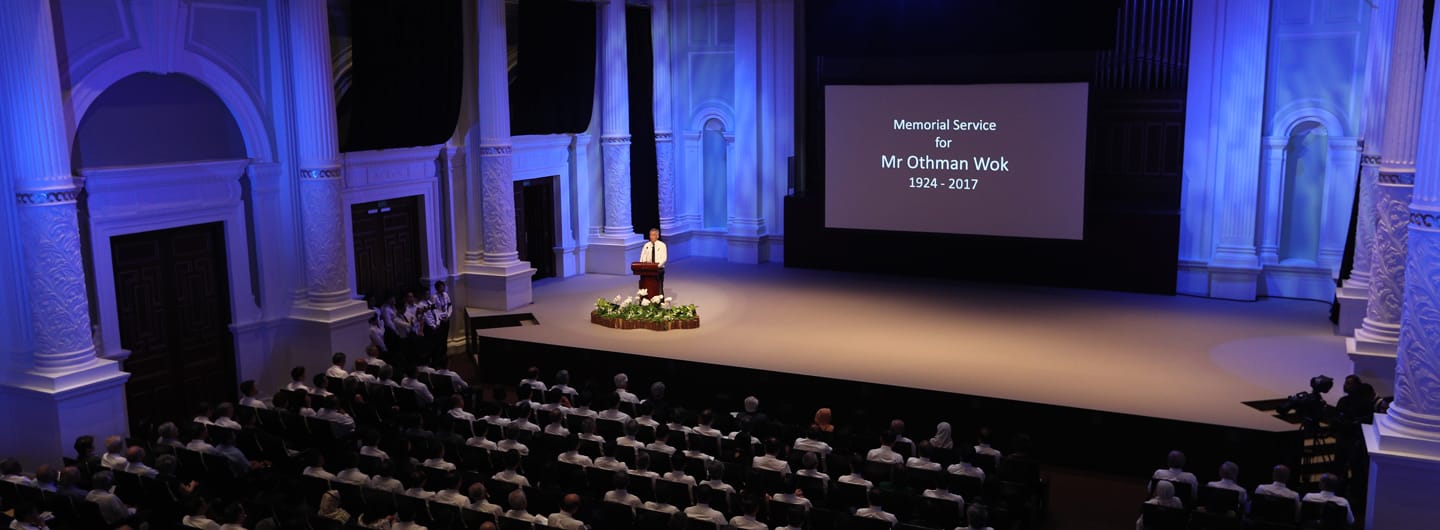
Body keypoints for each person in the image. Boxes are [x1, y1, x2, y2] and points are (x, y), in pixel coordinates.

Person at [640, 227, 668, 294]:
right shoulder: (646, 245)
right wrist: (643, 265)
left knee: (659, 287)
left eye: (653, 235)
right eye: (650, 235)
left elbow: (664, 258)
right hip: (647, 270)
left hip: (659, 269)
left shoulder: (662, 245)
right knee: (647, 287)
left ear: (657, 236)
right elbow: (642, 258)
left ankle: (660, 301)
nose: (651, 237)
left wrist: (656, 267)